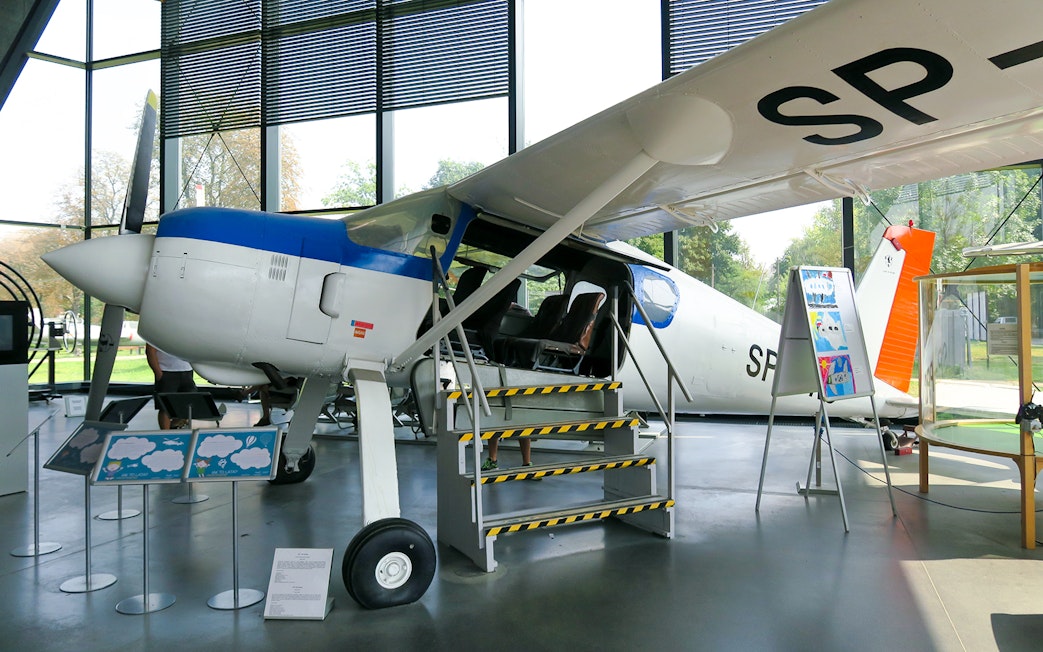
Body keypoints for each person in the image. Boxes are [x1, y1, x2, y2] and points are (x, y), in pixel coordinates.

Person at [146, 342, 196, 429]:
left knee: (189, 404)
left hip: (187, 370)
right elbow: (150, 351)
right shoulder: (157, 331)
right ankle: (165, 434)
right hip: (166, 371)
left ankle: (174, 425)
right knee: (165, 407)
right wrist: (158, 372)